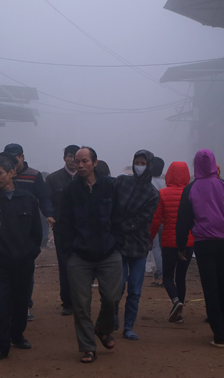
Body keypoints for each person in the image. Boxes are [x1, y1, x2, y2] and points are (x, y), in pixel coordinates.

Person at [176, 149, 224, 348]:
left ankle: (219, 334)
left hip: (204, 244)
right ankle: (221, 326)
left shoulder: (190, 189)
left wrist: (181, 246)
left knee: (209, 288)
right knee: (222, 286)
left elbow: (183, 221)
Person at [58, 146, 122, 364]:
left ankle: (103, 329)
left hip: (109, 252)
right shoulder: (70, 190)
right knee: (81, 304)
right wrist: (69, 250)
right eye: (77, 161)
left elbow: (119, 217)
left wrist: (117, 243)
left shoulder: (110, 186)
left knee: (112, 298)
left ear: (95, 163)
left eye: (85, 161)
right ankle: (87, 347)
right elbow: (64, 224)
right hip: (79, 256)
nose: (80, 165)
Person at [0, 156, 42, 363]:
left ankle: (17, 335)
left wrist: (30, 253)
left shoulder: (28, 199)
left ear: (12, 173)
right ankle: (0, 346)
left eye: (0, 173)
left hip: (23, 262)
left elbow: (36, 232)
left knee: (21, 303)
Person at [1, 143, 54, 321]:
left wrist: (49, 214)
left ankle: (25, 305)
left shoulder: (34, 175)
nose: (12, 161)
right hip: (5, 228)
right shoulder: (2, 175)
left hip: (27, 228)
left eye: (15, 157)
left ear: (22, 157)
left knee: (26, 269)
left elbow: (43, 197)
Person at [111, 150, 160, 341]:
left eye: (143, 163)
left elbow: (142, 219)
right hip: (118, 243)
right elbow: (111, 204)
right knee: (117, 285)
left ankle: (128, 326)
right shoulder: (121, 182)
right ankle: (113, 316)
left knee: (135, 289)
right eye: (137, 162)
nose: (139, 166)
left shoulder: (152, 194)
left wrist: (118, 226)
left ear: (149, 166)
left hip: (138, 245)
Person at [150, 161, 194, 323]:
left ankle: (176, 301)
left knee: (168, 277)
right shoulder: (191, 193)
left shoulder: (162, 194)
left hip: (169, 242)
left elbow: (156, 221)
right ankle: (178, 313)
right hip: (188, 242)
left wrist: (149, 238)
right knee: (181, 277)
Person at [44, 144, 80, 316]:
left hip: (83, 229)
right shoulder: (53, 179)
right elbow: (46, 200)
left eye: (76, 157)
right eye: (70, 156)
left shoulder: (86, 176)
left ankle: (81, 300)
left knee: (83, 266)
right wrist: (50, 215)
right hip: (63, 229)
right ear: (64, 158)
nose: (73, 160)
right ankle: (67, 302)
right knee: (65, 266)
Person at [149, 157, 166, 287]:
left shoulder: (149, 182)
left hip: (152, 218)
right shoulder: (165, 182)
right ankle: (160, 275)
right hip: (164, 218)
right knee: (161, 247)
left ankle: (160, 275)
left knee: (154, 247)